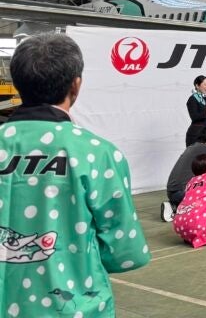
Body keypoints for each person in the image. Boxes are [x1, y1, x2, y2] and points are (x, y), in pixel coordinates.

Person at [1, 34, 150, 316]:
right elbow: (126, 253)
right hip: (71, 308)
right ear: (76, 85)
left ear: (18, 84)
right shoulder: (97, 153)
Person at [165, 125, 206, 220]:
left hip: (173, 192)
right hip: (182, 193)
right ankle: (177, 210)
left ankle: (175, 206)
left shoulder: (195, 147)